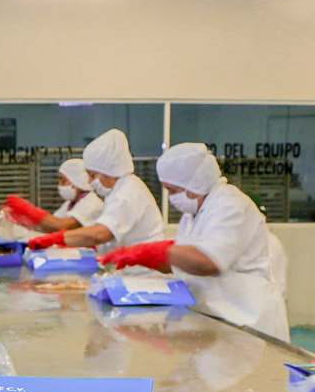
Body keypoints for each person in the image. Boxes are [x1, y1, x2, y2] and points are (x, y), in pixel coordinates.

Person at [99, 142, 289, 341]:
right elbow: (183, 261)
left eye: (173, 190)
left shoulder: (231, 205)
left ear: (195, 183)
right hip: (219, 315)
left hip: (249, 319)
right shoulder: (193, 214)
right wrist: (145, 259)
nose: (172, 198)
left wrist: (157, 251)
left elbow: (208, 261)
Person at [29, 129, 164, 253]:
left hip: (143, 273)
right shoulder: (116, 190)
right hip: (129, 268)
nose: (89, 181)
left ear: (109, 171)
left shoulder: (127, 193)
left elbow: (100, 233)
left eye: (93, 175)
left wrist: (56, 238)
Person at [1, 158, 103, 233]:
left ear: (77, 181)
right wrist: (23, 220)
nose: (59, 185)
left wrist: (29, 210)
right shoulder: (70, 204)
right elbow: (49, 228)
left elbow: (61, 226)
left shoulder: (91, 203)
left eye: (63, 181)